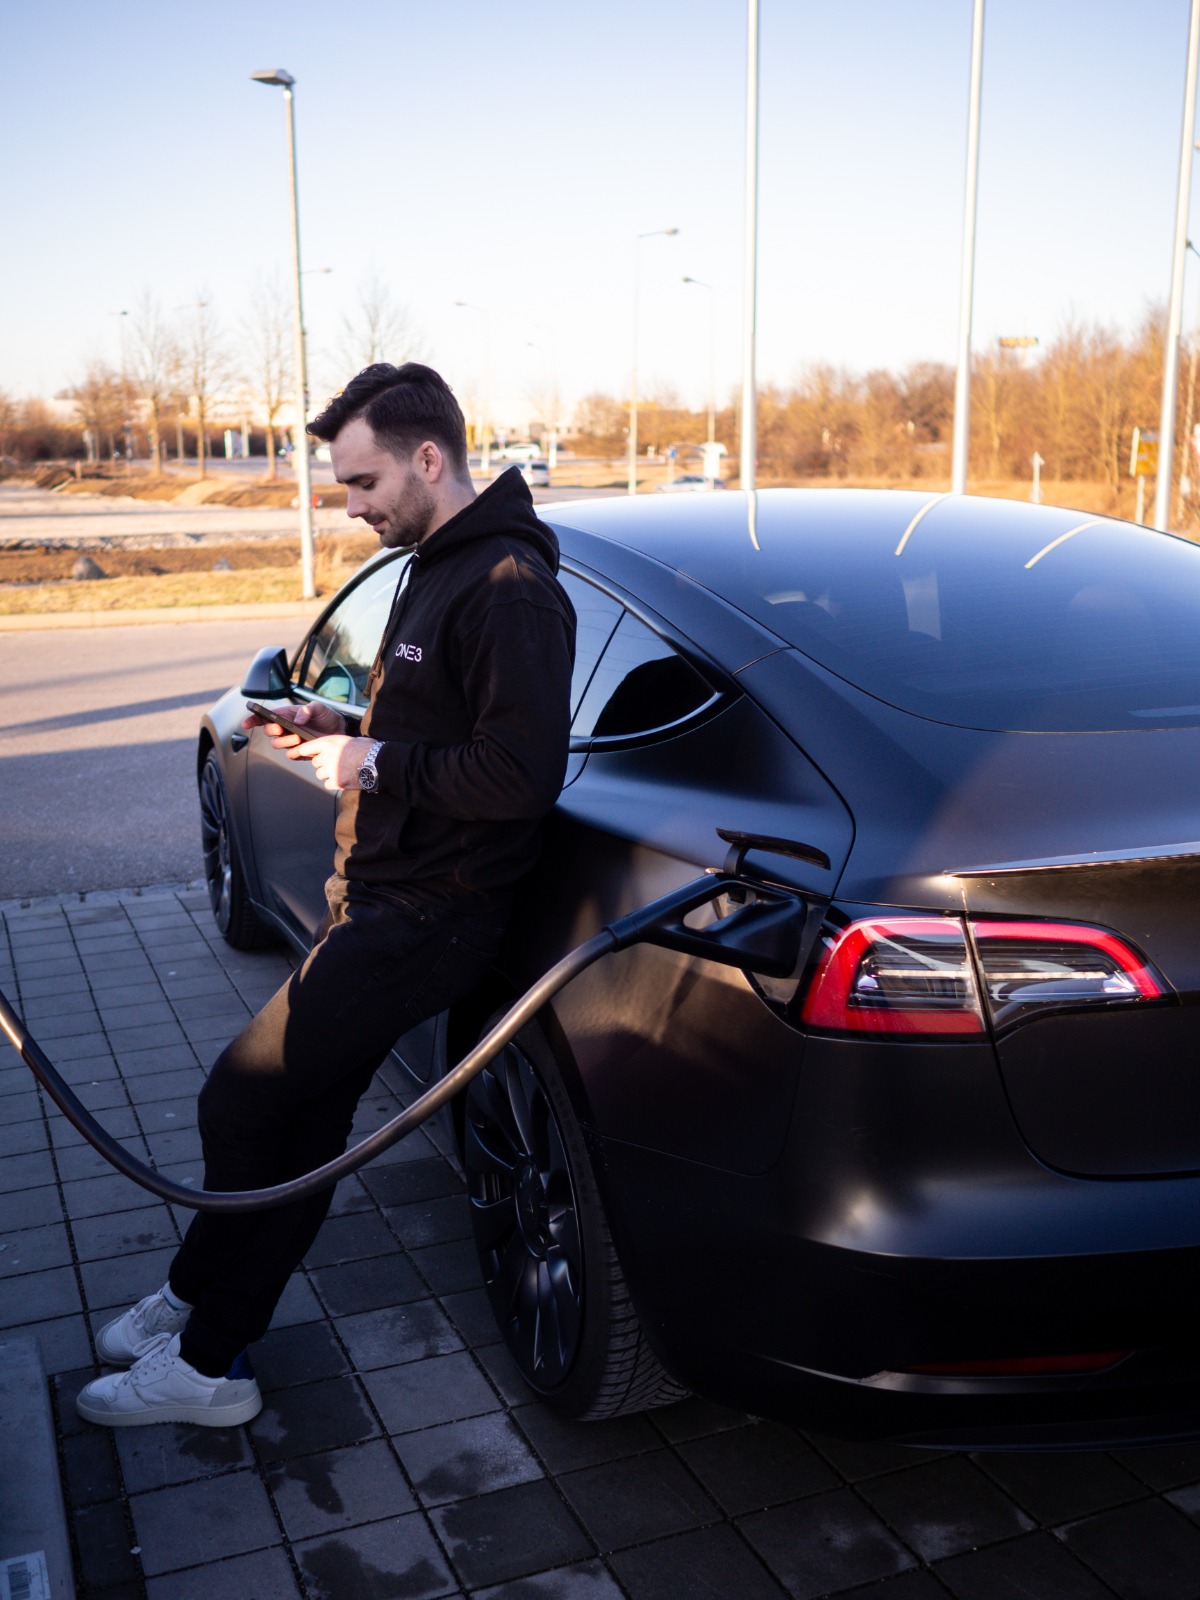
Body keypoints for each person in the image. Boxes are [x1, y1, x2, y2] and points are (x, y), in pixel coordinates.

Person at [77, 363, 576, 1428]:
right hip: (385, 901)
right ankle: (204, 1341)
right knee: (303, 1135)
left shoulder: (509, 589)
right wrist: (342, 729)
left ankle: (195, 1326)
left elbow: (520, 777)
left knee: (238, 1097)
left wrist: (373, 765)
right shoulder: (439, 566)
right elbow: (438, 728)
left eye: (360, 482)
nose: (349, 505)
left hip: (428, 914)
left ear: (428, 459)